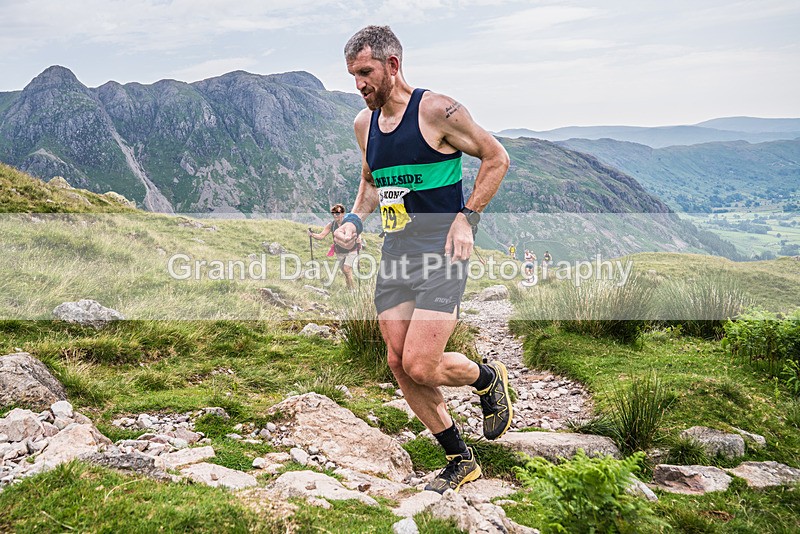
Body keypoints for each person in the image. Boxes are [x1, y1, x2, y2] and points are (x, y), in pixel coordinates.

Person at [335, 25, 512, 494]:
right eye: (353, 75)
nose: (360, 84)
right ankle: (460, 458)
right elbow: (372, 184)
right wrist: (354, 219)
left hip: (442, 253)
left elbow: (496, 158)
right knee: (397, 361)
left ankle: (486, 378)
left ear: (393, 65)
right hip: (395, 254)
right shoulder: (363, 124)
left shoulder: (436, 111)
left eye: (366, 72)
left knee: (420, 363)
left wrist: (465, 219)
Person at [308, 204, 360, 290]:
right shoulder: (331, 225)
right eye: (333, 213)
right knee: (344, 271)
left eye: (337, 213)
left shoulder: (349, 223)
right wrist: (312, 234)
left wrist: (359, 239)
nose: (335, 215)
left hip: (352, 250)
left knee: (347, 269)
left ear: (343, 213)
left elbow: (358, 232)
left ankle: (353, 290)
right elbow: (321, 236)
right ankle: (349, 289)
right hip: (339, 251)